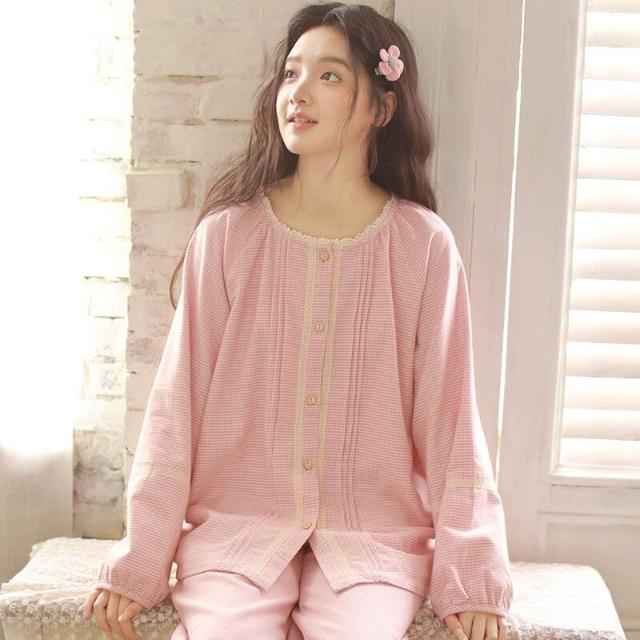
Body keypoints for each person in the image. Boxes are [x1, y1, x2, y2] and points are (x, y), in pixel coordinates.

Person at [81, 3, 514, 639]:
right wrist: (140, 559)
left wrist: (472, 575)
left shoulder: (422, 246)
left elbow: (450, 420)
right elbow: (178, 409)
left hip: (372, 545)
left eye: (329, 76)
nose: (299, 93)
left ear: (382, 108)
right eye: (290, 74)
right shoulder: (228, 237)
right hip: (237, 537)